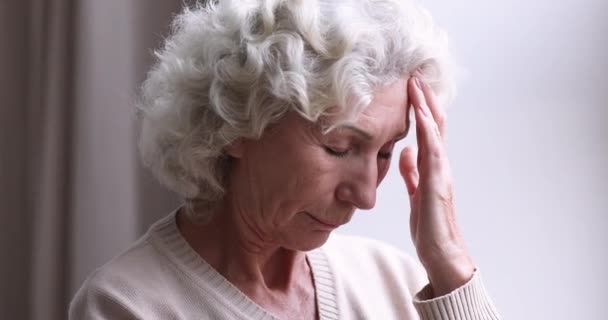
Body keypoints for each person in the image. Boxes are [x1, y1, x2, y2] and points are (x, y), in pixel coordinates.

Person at [69, 0, 501, 319]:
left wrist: (449, 263)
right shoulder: (126, 305)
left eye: (386, 150)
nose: (367, 195)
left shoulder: (399, 285)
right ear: (237, 122)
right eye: (339, 147)